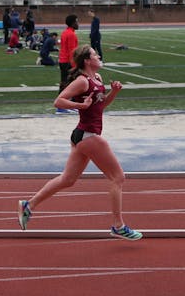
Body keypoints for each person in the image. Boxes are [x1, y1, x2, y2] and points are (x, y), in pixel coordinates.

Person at [17, 45, 142, 241]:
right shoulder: (82, 82)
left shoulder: (98, 80)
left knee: (67, 180)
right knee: (118, 177)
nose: (99, 56)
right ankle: (118, 225)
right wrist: (79, 105)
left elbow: (100, 107)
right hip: (88, 135)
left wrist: (114, 92)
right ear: (86, 60)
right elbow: (58, 101)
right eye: (95, 54)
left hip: (81, 135)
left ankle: (29, 205)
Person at [57, 14, 79, 101]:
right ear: (73, 23)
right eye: (77, 22)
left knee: (64, 82)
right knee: (72, 83)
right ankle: (69, 101)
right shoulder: (71, 34)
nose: (78, 24)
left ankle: (61, 100)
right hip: (68, 61)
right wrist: (74, 65)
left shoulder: (65, 32)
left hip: (63, 60)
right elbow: (72, 51)